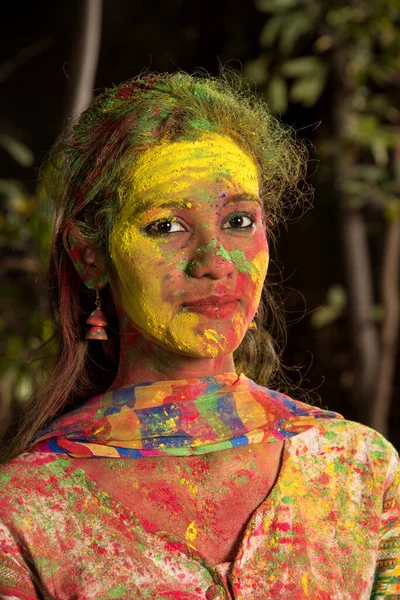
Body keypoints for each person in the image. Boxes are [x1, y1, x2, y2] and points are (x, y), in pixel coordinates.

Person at [0, 71, 398, 600]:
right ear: (89, 256)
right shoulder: (26, 509)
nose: (216, 261)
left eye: (238, 220)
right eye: (167, 226)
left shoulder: (356, 471)